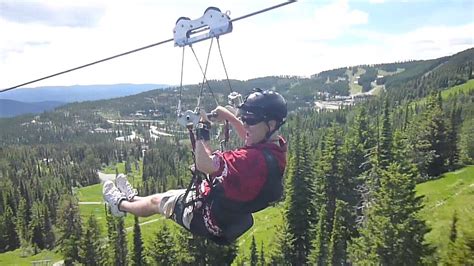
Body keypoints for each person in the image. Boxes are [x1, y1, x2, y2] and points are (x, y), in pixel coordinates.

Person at [103, 88, 288, 244]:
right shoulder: (276, 149)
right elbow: (249, 139)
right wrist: (231, 118)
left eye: (251, 120)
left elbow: (204, 163)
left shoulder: (247, 162)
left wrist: (202, 129)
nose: (245, 123)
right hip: (228, 213)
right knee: (166, 195)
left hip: (206, 218)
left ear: (270, 124)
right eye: (244, 118)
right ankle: (133, 197)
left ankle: (120, 204)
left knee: (156, 202)